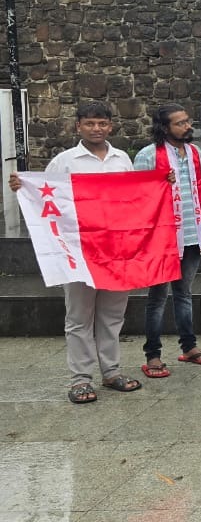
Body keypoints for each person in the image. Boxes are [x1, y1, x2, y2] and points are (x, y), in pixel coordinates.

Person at [9, 102, 142, 403]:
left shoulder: (122, 160)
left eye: (102, 123)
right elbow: (46, 198)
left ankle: (112, 371)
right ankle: (80, 379)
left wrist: (162, 183)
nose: (97, 128)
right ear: (78, 125)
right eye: (90, 123)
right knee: (80, 317)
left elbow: (135, 197)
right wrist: (23, 186)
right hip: (78, 251)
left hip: (115, 250)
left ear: (111, 126)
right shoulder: (64, 162)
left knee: (112, 315)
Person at [134, 103, 201, 379]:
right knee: (157, 298)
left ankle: (189, 347)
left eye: (187, 120)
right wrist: (158, 181)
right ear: (164, 128)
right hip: (162, 237)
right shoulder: (148, 155)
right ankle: (153, 355)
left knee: (184, 293)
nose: (187, 126)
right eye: (179, 123)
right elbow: (138, 196)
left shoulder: (194, 152)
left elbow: (198, 190)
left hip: (191, 233)